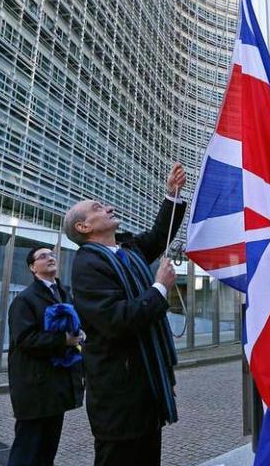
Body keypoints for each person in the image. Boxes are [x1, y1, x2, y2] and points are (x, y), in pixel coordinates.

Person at [64, 164, 187, 466]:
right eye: (98, 208)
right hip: (119, 400)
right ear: (83, 227)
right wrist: (159, 288)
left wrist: (171, 195)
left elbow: (160, 236)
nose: (109, 207)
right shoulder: (86, 266)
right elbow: (116, 320)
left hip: (147, 393)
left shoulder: (129, 249)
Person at [7, 246, 85, 466]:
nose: (50, 258)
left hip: (56, 386)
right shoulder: (25, 300)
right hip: (34, 388)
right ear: (33, 267)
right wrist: (64, 341)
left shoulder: (64, 293)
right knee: (27, 450)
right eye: (43, 256)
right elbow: (23, 340)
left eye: (52, 254)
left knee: (47, 450)